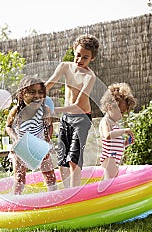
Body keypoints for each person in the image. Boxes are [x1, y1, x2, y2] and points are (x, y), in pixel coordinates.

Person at [45, 34, 100, 188]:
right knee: (62, 157)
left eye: (85, 57)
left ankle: (75, 192)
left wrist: (53, 110)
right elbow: (49, 84)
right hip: (66, 117)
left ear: (92, 59)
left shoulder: (90, 77)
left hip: (82, 118)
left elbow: (77, 105)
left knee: (73, 157)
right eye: (78, 55)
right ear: (73, 50)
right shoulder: (64, 66)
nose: (80, 60)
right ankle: (67, 191)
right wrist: (35, 96)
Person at [6, 76, 57, 194]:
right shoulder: (16, 111)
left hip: (39, 145)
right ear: (22, 94)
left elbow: (49, 126)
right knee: (19, 179)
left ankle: (54, 197)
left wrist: (46, 141)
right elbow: (8, 126)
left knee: (50, 175)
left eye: (40, 92)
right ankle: (15, 201)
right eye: (32, 92)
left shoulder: (45, 110)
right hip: (22, 147)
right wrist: (16, 139)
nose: (37, 96)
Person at [99, 83, 136, 180]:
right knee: (109, 181)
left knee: (113, 179)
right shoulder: (106, 121)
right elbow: (107, 136)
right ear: (110, 106)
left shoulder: (115, 124)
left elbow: (114, 143)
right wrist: (124, 131)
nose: (121, 116)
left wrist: (126, 143)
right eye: (121, 112)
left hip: (115, 158)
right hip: (108, 158)